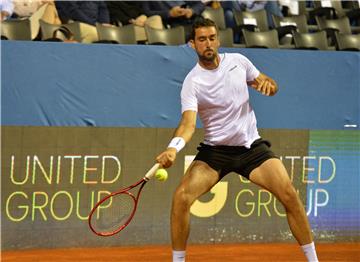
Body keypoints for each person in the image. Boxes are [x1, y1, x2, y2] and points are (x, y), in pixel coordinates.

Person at [155, 18, 319, 262]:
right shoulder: (193, 82)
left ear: (218, 40)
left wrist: (269, 86)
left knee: (290, 195)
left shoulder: (239, 62)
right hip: (216, 153)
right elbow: (188, 124)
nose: (208, 43)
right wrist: (172, 149)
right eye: (202, 39)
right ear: (192, 44)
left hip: (251, 148)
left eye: (212, 38)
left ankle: (313, 260)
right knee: (181, 198)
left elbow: (268, 83)